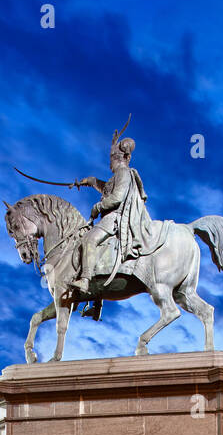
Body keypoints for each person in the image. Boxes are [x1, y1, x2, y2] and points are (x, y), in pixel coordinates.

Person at [72, 125, 167, 308]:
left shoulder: (123, 173)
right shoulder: (116, 177)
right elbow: (106, 188)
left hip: (115, 218)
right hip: (110, 218)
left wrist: (98, 206)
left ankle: (84, 280)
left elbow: (117, 197)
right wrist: (90, 182)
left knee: (89, 241)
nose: (109, 164)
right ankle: (96, 301)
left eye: (111, 159)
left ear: (117, 158)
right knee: (97, 249)